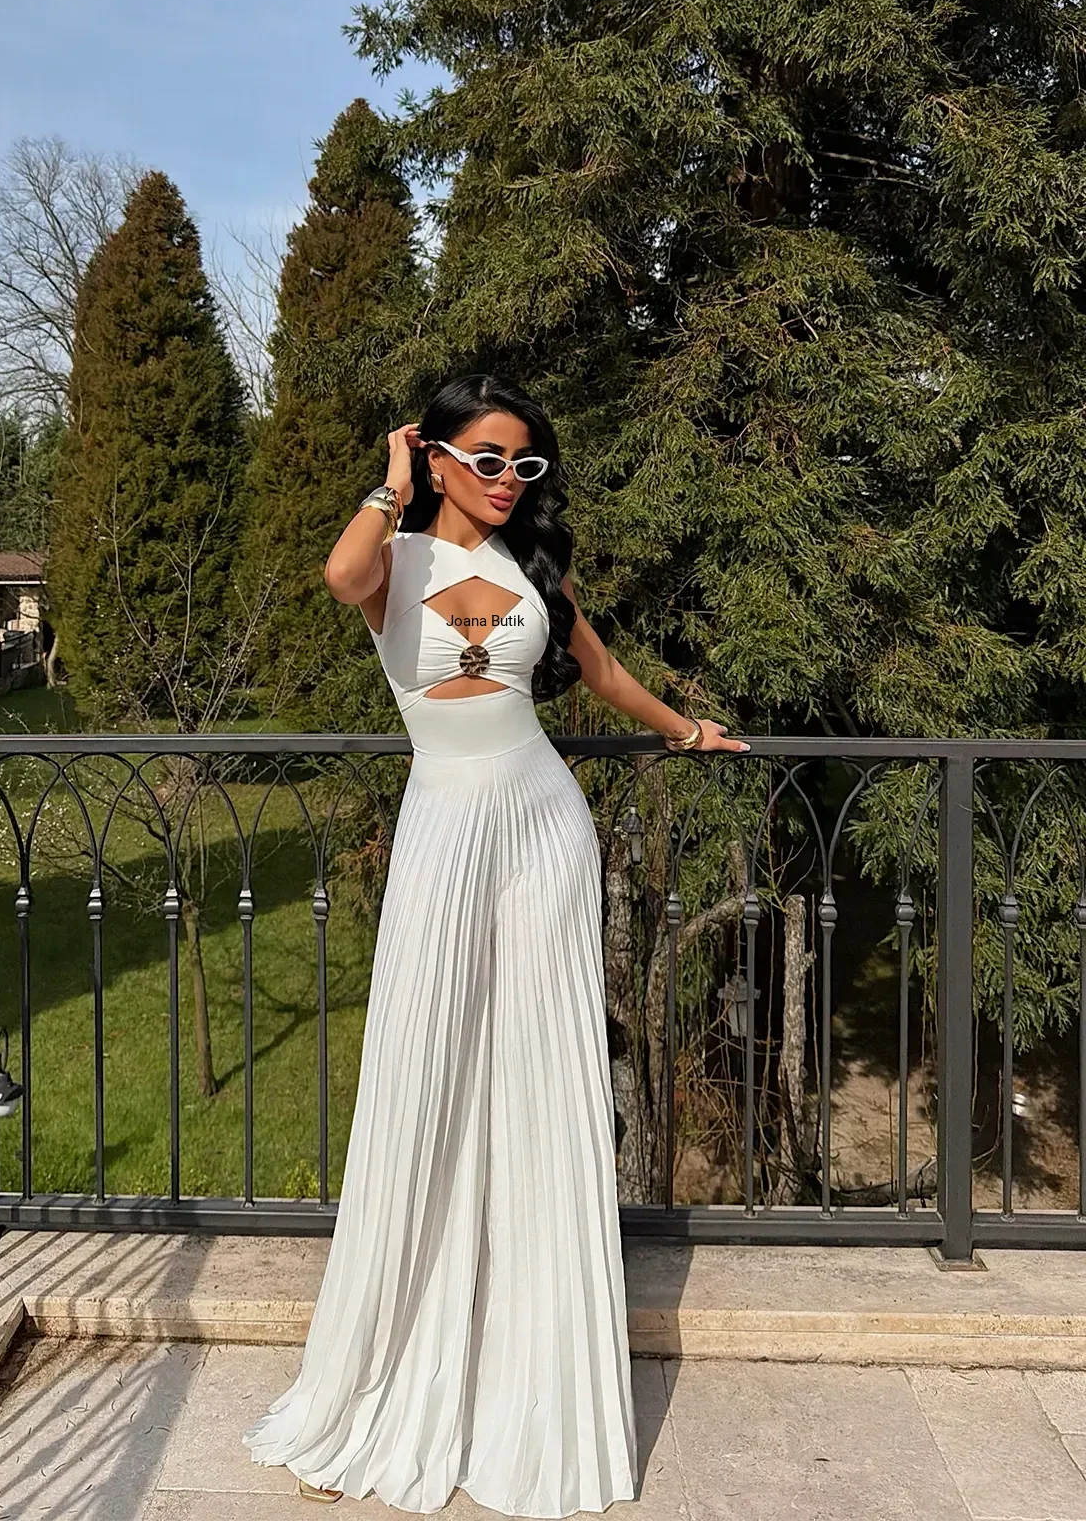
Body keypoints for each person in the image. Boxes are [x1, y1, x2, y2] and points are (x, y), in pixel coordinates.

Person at [242, 372, 749, 1516]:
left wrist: (688, 731)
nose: (508, 481)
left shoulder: (533, 571)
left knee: (537, 1078)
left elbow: (601, 672)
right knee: (424, 1072)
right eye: (485, 459)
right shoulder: (395, 558)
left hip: (544, 830)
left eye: (525, 464)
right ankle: (398, 1362)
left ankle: (531, 1367)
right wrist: (390, 484)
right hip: (445, 826)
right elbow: (341, 577)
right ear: (435, 459)